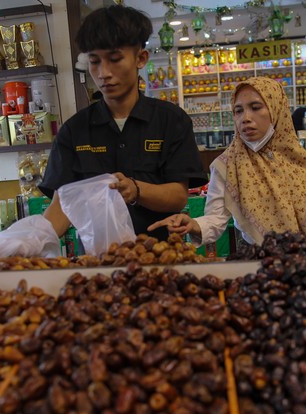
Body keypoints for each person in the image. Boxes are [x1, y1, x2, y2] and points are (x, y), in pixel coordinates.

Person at [37, 4, 206, 243]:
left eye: (115, 59)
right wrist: (31, 239)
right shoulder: (74, 131)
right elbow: (62, 205)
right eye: (94, 61)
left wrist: (136, 190)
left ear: (141, 58)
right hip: (100, 259)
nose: (103, 73)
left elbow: (178, 195)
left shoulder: (171, 120)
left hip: (160, 254)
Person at [148, 77, 306, 246]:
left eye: (256, 107)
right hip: (258, 255)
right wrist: (193, 225)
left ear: (276, 109)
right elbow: (215, 218)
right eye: (238, 111)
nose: (245, 118)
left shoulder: (299, 159)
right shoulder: (227, 165)